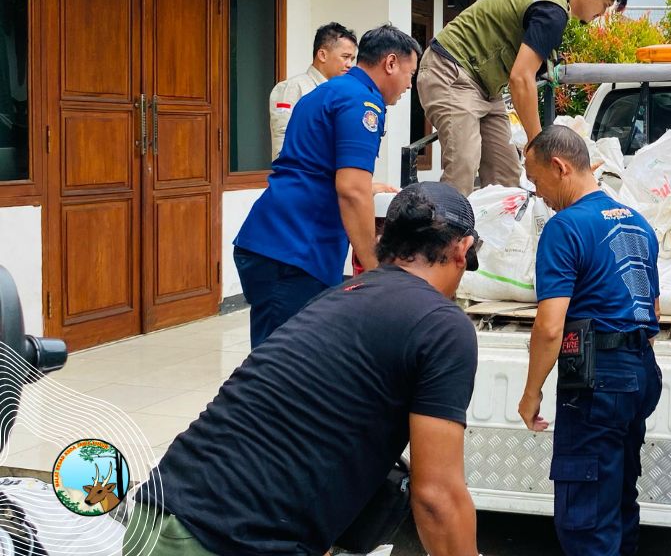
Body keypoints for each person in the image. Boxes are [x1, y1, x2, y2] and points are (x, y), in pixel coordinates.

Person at [124, 181, 482, 556]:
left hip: (156, 514)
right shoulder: (442, 325)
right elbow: (437, 496)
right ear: (462, 250)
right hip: (221, 538)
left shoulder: (338, 297)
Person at [517, 125, 662, 556]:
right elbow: (653, 311)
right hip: (639, 372)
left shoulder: (565, 228)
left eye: (537, 179)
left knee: (584, 517)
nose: (536, 191)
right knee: (618, 501)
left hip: (597, 377)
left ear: (559, 167)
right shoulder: (638, 222)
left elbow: (549, 326)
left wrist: (530, 393)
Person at [234, 25, 420, 347]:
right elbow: (351, 188)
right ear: (390, 63)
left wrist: (367, 186)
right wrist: (374, 269)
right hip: (292, 249)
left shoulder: (329, 91)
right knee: (283, 367)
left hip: (278, 240)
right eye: (410, 73)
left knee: (288, 361)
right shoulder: (362, 102)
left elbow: (318, 166)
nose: (409, 85)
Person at [420, 0, 629, 195]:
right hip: (452, 69)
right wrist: (537, 144)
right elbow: (521, 78)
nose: (602, 14)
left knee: (506, 175)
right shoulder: (552, 11)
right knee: (463, 163)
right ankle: (447, 232)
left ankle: (493, 232)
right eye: (605, 4)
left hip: (486, 86)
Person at [269, 22, 359, 161]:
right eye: (345, 57)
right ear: (322, 55)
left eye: (352, 59)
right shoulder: (293, 88)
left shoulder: (342, 93)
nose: (349, 64)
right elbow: (282, 143)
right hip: (303, 179)